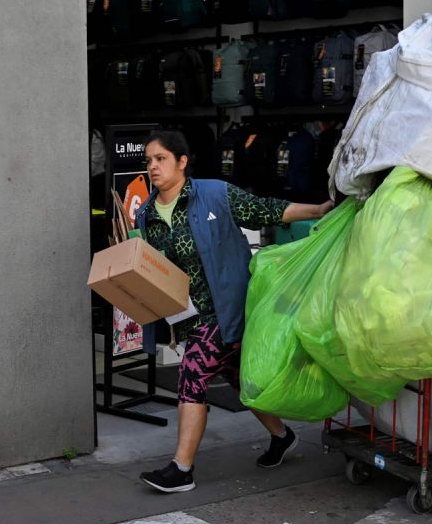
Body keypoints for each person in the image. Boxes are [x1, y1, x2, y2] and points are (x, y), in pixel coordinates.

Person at [136, 130, 333, 494]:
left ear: (182, 162)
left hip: (230, 309)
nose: (153, 167)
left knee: (191, 377)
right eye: (149, 160)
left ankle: (182, 469)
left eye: (160, 158)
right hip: (191, 317)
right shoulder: (146, 215)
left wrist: (318, 210)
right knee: (243, 383)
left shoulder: (214, 194)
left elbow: (268, 210)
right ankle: (282, 435)